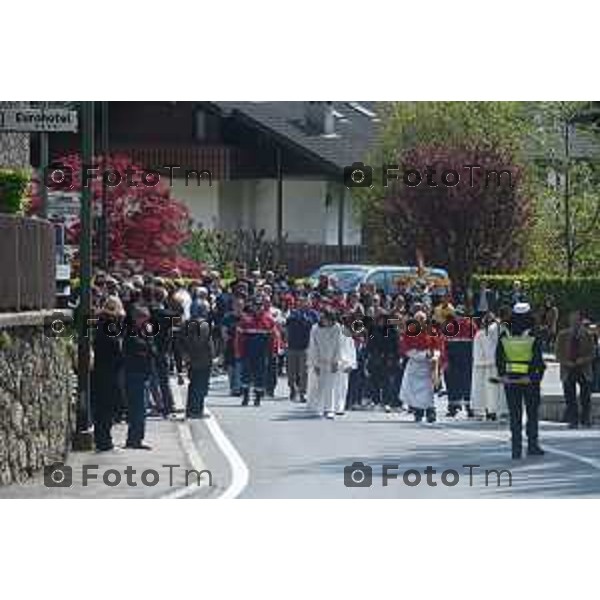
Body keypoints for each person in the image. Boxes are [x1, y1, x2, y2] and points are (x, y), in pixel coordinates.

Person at [496, 302, 546, 459]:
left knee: (515, 414)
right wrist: (536, 375)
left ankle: (516, 448)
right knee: (532, 413)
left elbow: (499, 357)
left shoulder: (505, 333)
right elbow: (537, 358)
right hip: (529, 380)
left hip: (511, 380)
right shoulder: (533, 333)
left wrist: (503, 374)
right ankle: (532, 445)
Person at [91, 297, 125, 452]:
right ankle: (105, 442)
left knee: (101, 408)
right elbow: (115, 350)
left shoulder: (99, 323)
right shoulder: (110, 326)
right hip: (108, 372)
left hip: (99, 370)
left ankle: (103, 440)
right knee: (107, 408)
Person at [400, 311, 444, 423]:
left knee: (429, 390)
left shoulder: (432, 331)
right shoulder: (410, 332)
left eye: (422, 319)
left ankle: (430, 411)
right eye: (418, 319)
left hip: (428, 366)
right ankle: (418, 411)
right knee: (415, 390)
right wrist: (423, 355)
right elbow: (407, 350)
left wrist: (434, 356)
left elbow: (439, 346)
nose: (421, 321)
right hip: (415, 365)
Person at [123, 306, 157, 450]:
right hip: (134, 373)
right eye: (144, 318)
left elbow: (153, 350)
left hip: (143, 373)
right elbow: (137, 349)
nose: (146, 321)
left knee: (141, 408)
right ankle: (134, 439)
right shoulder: (131, 333)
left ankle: (136, 438)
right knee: (138, 408)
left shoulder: (144, 332)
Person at [555, 310, 595, 428]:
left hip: (583, 368)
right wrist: (566, 362)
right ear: (570, 321)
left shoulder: (587, 335)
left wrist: (583, 360)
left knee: (585, 396)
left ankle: (585, 418)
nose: (575, 322)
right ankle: (573, 419)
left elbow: (592, 353)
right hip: (568, 369)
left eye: (577, 320)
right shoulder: (562, 335)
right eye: (573, 320)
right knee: (569, 396)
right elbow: (558, 353)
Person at [235, 295, 277, 406]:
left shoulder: (269, 320)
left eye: (260, 306)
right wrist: (238, 351)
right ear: (252, 306)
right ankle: (245, 397)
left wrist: (273, 351)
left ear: (263, 306)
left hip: (262, 353)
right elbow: (238, 338)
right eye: (256, 306)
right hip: (247, 352)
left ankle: (257, 398)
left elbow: (273, 338)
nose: (258, 308)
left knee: (260, 375)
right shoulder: (245, 320)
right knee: (245, 375)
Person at [307, 308, 344, 419]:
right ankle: (319, 407)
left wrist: (337, 361)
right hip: (320, 361)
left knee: (331, 386)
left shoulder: (337, 328)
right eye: (324, 319)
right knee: (319, 385)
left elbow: (339, 345)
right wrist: (315, 363)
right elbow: (313, 347)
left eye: (329, 320)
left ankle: (329, 409)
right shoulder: (315, 329)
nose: (326, 322)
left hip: (332, 361)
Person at [470, 311, 506, 420]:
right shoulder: (490, 331)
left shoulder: (481, 333)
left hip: (482, 365)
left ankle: (487, 409)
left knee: (483, 390)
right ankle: (491, 410)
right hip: (491, 364)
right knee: (492, 390)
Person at [444, 307, 477, 418]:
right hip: (467, 357)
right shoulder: (471, 325)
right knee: (467, 382)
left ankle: (454, 407)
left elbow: (444, 344)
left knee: (453, 383)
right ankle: (469, 408)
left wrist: (445, 360)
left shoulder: (450, 325)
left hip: (454, 357)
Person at [285, 295, 319, 402]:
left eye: (305, 301)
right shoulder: (293, 313)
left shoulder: (313, 314)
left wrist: (305, 317)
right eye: (300, 301)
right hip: (292, 346)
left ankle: (303, 392)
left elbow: (315, 325)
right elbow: (288, 324)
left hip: (306, 347)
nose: (302, 303)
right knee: (291, 371)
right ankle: (292, 388)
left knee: (304, 371)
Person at [180, 318, 214, 419]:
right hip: (204, 360)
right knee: (201, 386)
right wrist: (213, 356)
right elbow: (209, 344)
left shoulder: (187, 325)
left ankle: (190, 409)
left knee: (193, 385)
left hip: (191, 359)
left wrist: (185, 355)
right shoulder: (204, 325)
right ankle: (197, 410)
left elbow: (181, 342)